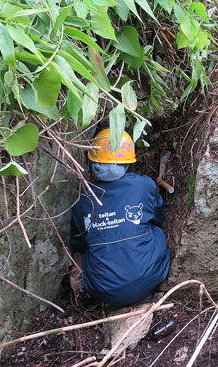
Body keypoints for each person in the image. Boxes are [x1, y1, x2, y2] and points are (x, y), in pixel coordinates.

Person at [70, 129, 170, 306]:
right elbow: (158, 216)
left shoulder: (84, 199)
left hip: (102, 290)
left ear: (91, 161)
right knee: (155, 230)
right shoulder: (144, 185)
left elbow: (79, 243)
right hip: (149, 278)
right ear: (129, 162)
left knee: (87, 251)